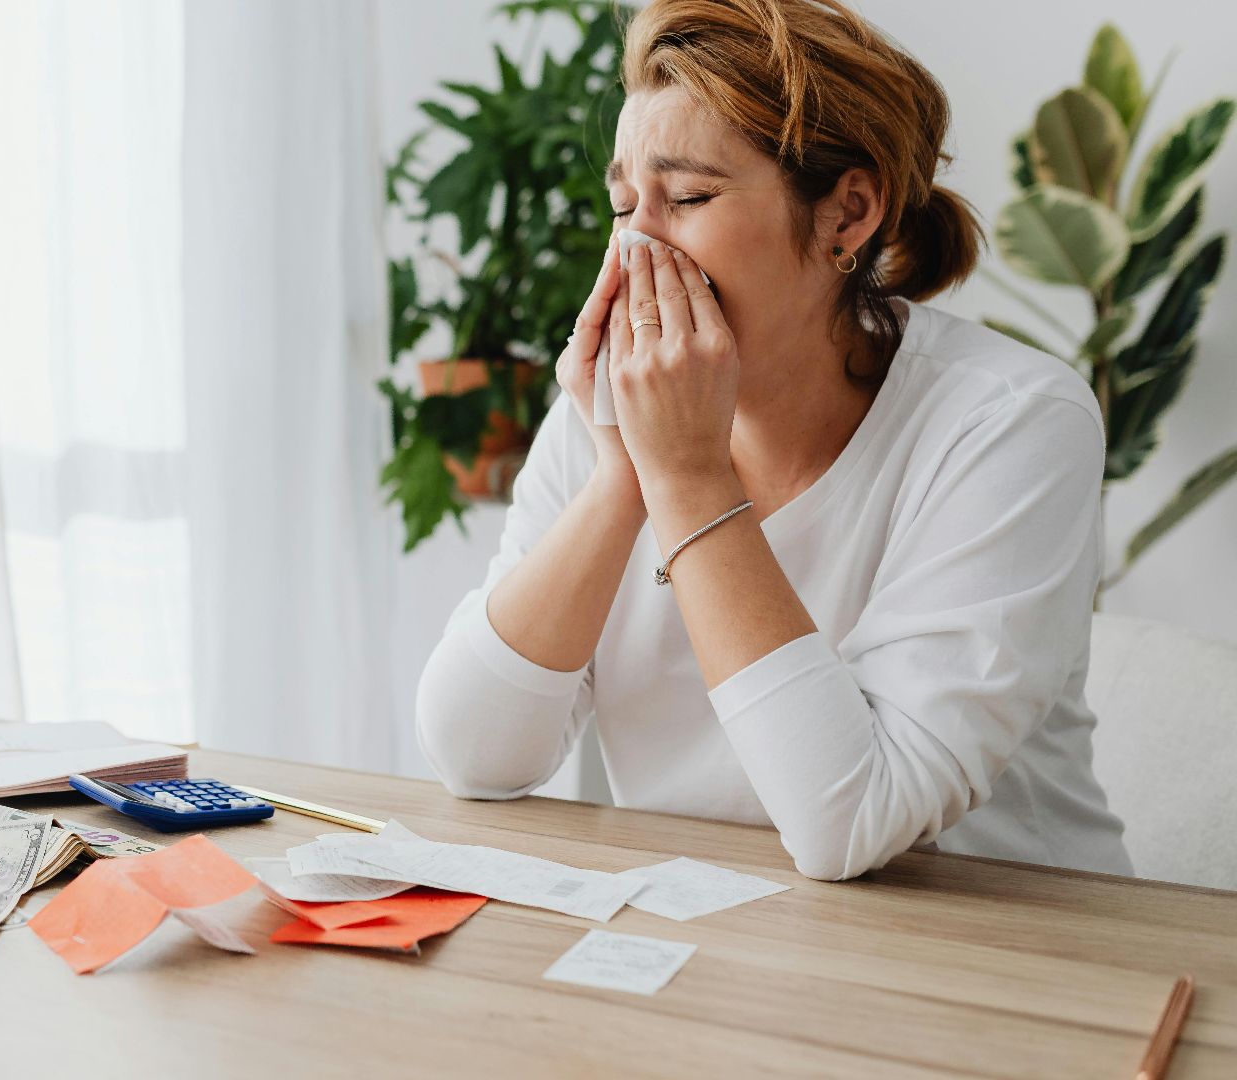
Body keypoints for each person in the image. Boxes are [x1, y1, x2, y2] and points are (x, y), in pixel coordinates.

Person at [415, 0, 1131, 881]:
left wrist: (687, 477)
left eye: (687, 198)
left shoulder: (1011, 421)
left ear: (848, 213)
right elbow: (474, 757)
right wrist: (621, 480)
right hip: (727, 952)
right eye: (623, 204)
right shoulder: (616, 412)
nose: (635, 244)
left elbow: (854, 823)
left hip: (1016, 964)